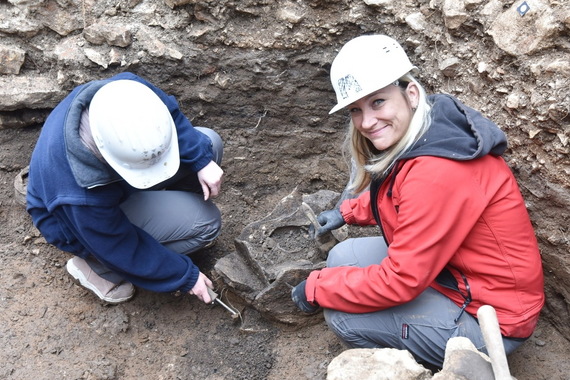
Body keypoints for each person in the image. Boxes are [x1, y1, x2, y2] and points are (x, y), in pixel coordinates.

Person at [291, 35, 545, 368]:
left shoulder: (437, 172)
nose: (366, 122)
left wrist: (314, 289)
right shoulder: (429, 126)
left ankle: (454, 368)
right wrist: (347, 212)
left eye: (378, 102)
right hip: (457, 275)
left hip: (493, 316)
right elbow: (403, 199)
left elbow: (401, 280)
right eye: (356, 109)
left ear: (409, 93)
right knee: (342, 256)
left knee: (342, 317)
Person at [26, 72, 224, 305]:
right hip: (78, 224)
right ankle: (99, 269)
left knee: (209, 144)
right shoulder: (79, 195)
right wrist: (183, 275)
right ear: (106, 155)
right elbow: (120, 247)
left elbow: (169, 113)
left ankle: (169, 217)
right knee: (206, 222)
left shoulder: (124, 93)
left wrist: (201, 160)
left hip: (109, 188)